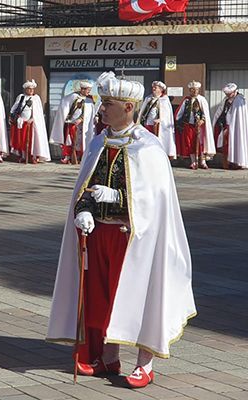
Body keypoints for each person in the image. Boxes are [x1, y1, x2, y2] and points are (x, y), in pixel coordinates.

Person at [47, 72, 196, 389]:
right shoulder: (99, 142)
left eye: (108, 104)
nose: (101, 110)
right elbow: (84, 188)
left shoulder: (149, 148)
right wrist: (84, 210)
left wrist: (118, 197)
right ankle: (107, 356)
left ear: (128, 108)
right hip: (99, 234)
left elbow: (154, 202)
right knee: (100, 298)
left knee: (140, 297)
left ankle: (145, 363)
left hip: (134, 239)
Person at [50, 80, 95, 164]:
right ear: (82, 89)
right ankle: (68, 156)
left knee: (80, 141)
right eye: (87, 90)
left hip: (83, 125)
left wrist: (81, 119)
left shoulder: (89, 100)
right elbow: (65, 107)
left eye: (89, 90)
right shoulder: (72, 97)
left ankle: (79, 156)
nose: (89, 91)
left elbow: (89, 113)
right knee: (70, 141)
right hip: (71, 123)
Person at [174, 81, 215, 170]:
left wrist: (202, 120)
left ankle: (203, 162)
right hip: (188, 126)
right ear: (190, 90)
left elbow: (205, 113)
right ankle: (193, 161)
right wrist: (180, 121)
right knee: (190, 143)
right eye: (193, 89)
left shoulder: (202, 99)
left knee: (201, 143)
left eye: (196, 89)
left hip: (200, 126)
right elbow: (179, 113)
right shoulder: (186, 100)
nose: (195, 91)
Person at [9, 79, 50, 163]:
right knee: (22, 140)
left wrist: (32, 119)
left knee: (32, 140)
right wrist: (14, 116)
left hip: (31, 123)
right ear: (26, 89)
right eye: (29, 89)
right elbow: (15, 108)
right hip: (22, 122)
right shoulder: (21, 97)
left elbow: (38, 113)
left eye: (32, 89)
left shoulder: (36, 98)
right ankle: (24, 156)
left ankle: (33, 156)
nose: (31, 90)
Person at [137, 81, 176, 159]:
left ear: (161, 89)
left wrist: (160, 119)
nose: (153, 88)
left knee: (156, 142)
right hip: (147, 124)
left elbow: (167, 115)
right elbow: (142, 111)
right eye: (153, 87)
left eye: (156, 87)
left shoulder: (164, 99)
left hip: (158, 126)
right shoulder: (148, 98)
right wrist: (138, 120)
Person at [212, 83, 247, 170]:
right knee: (225, 145)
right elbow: (221, 111)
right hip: (226, 126)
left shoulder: (240, 100)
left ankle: (237, 162)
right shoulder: (226, 100)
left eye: (229, 94)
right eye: (226, 94)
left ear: (234, 92)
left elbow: (237, 116)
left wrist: (231, 125)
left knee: (236, 143)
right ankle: (226, 163)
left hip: (235, 127)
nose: (227, 95)